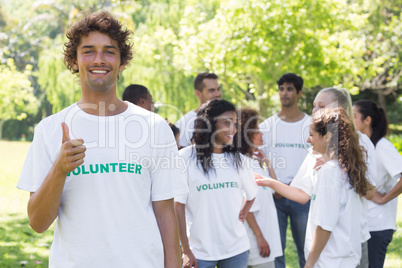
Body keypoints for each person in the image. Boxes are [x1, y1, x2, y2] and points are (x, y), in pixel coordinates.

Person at [17, 11, 187, 268]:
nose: (99, 59)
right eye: (88, 51)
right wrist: (59, 169)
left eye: (109, 51)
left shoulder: (154, 127)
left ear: (122, 61)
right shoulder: (49, 129)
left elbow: (165, 211)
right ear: (74, 61)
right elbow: (38, 223)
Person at [257, 87, 377, 267]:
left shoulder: (360, 144)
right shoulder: (318, 148)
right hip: (325, 251)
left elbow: (369, 192)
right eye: (314, 106)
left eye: (321, 106)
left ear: (339, 110)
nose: (314, 111)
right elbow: (302, 193)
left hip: (350, 244)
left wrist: (341, 165)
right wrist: (268, 182)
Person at [175, 99, 258, 268]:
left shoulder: (239, 160)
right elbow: (178, 206)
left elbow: (252, 194)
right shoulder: (185, 158)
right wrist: (185, 250)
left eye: (235, 124)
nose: (233, 130)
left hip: (237, 250)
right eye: (227, 123)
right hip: (199, 253)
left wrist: (242, 214)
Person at [280, 108, 367, 267]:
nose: (308, 140)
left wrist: (309, 264)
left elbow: (324, 227)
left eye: (312, 135)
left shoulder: (330, 171)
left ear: (327, 136)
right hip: (345, 259)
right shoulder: (346, 168)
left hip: (330, 261)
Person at [259, 73, 311, 268]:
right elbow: (257, 161)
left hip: (303, 197)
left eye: (289, 89)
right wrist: (274, 187)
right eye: (281, 89)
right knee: (275, 252)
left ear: (299, 93)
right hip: (275, 198)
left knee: (306, 250)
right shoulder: (266, 126)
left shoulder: (311, 125)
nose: (284, 93)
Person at [353, 99, 402, 268]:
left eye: (354, 116)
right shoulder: (363, 145)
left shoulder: (382, 147)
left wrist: (383, 198)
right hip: (363, 226)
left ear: (367, 120)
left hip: (378, 226)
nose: (351, 120)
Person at [237, 108, 282, 268]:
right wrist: (260, 236)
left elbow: (277, 190)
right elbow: (246, 207)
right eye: (257, 131)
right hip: (256, 240)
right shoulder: (244, 164)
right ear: (247, 136)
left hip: (266, 236)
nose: (261, 134)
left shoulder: (256, 162)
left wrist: (267, 164)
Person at [175, 72, 221, 148]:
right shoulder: (185, 124)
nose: (217, 94)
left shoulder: (228, 120)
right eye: (211, 90)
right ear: (198, 93)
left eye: (218, 89)